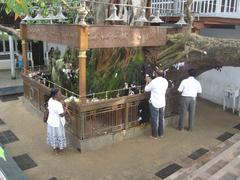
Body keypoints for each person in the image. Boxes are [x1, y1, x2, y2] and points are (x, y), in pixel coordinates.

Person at [145, 67, 168, 139]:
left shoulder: (154, 82)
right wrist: (151, 81)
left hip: (154, 103)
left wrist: (148, 81)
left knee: (155, 119)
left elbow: (146, 89)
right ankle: (161, 134)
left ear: (156, 74)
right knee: (161, 119)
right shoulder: (165, 81)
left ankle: (155, 135)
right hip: (162, 102)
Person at [46, 88, 67, 154]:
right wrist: (66, 108)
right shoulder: (58, 104)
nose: (61, 95)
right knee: (59, 135)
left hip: (51, 121)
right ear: (55, 95)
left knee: (53, 135)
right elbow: (62, 115)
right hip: (58, 123)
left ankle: (55, 149)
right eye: (59, 94)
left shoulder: (50, 100)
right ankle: (60, 150)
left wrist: (60, 102)